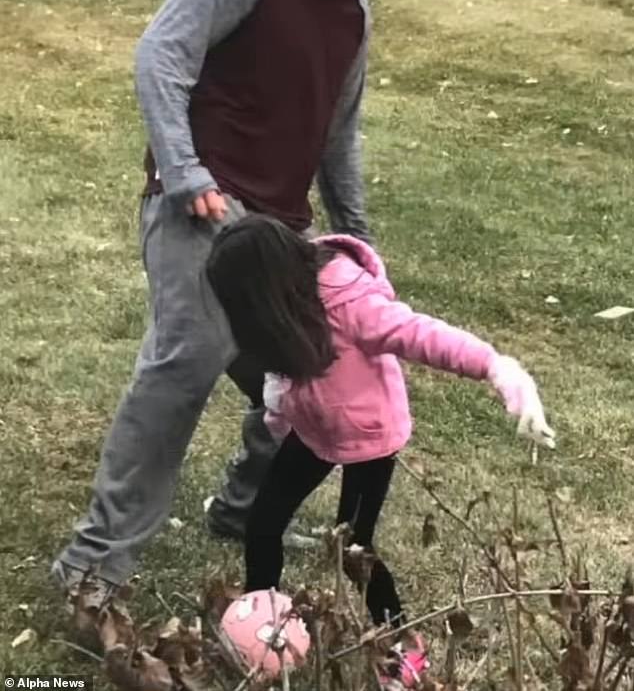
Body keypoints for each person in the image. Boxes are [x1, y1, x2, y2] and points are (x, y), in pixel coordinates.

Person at [52, 0, 428, 605]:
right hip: (203, 213)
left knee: (318, 373)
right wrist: (188, 174)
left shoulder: (354, 15)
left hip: (280, 234)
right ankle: (93, 567)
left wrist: (355, 236)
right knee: (181, 372)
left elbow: (337, 134)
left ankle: (244, 509)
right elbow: (161, 56)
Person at [205, 216, 556, 646]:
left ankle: (403, 649)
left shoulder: (352, 304)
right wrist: (277, 416)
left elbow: (421, 335)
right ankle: (260, 630)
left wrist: (498, 368)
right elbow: (283, 374)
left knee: (353, 549)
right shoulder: (281, 318)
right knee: (262, 524)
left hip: (370, 435)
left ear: (262, 291)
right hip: (316, 431)